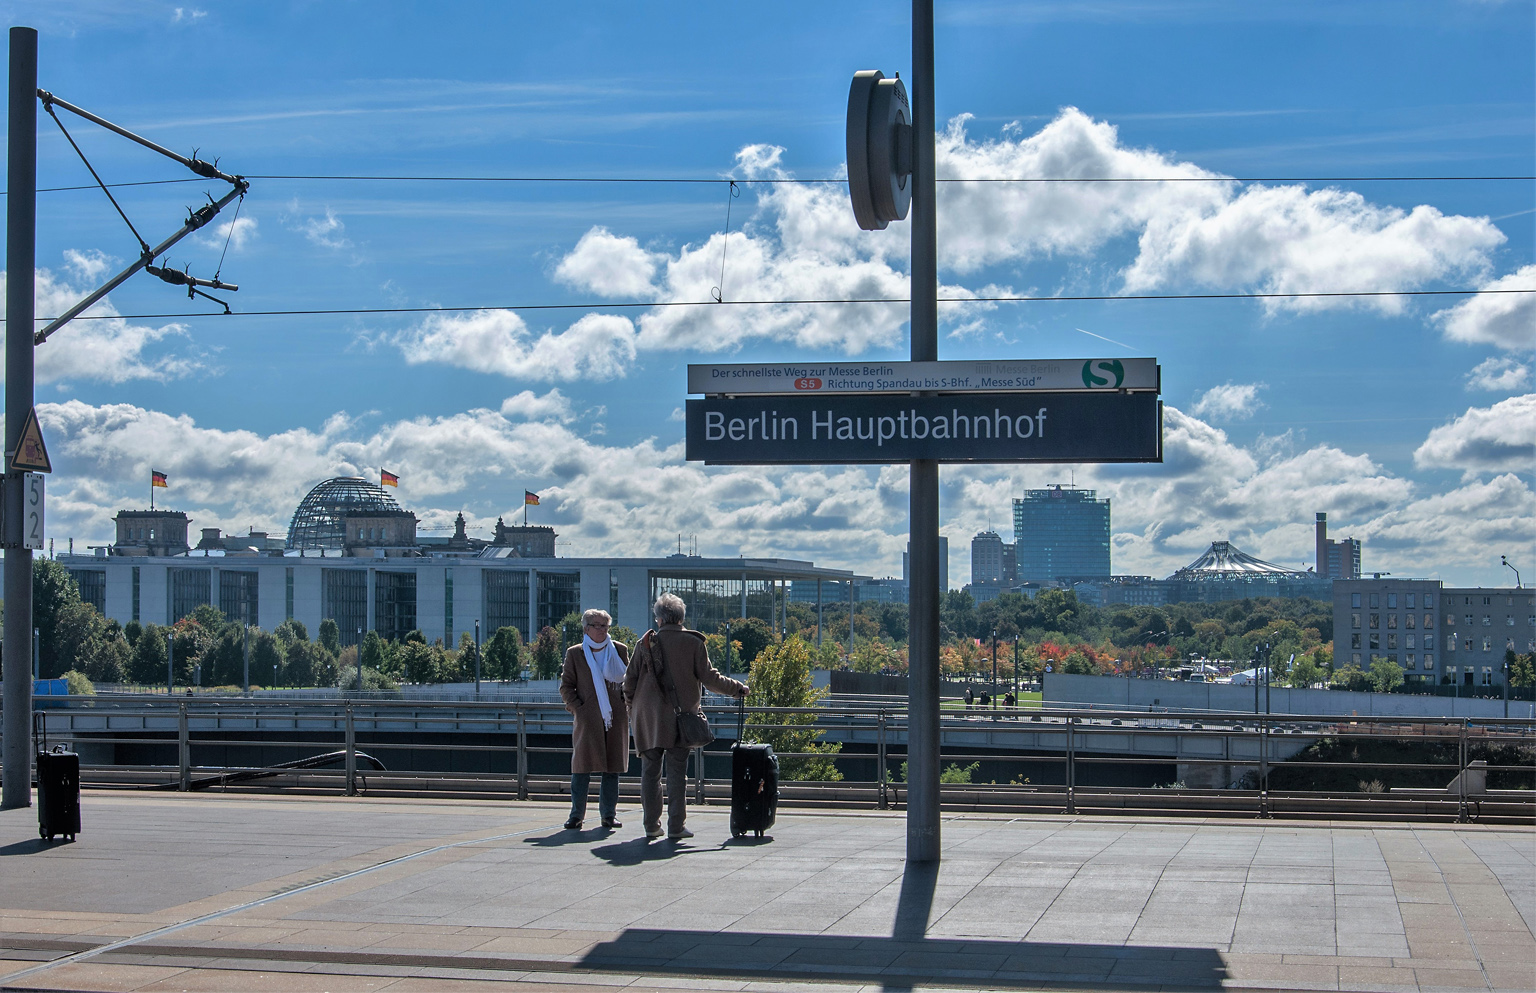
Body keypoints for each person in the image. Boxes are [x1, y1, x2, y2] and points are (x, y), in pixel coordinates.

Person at [625, 593, 747, 841]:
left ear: (659, 619)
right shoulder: (693, 643)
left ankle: (651, 825)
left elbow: (629, 683)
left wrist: (633, 709)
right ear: (681, 618)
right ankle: (676, 827)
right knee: (677, 773)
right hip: (680, 718)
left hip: (647, 718)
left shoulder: (645, 643)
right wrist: (737, 688)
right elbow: (710, 678)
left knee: (650, 772)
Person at [559, 608, 630, 831]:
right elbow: (566, 686)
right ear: (586, 628)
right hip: (587, 719)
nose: (601, 630)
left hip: (614, 719)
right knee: (581, 769)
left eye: (605, 626)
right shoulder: (575, 653)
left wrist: (624, 705)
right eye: (597, 625)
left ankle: (609, 815)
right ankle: (576, 816)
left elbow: (628, 682)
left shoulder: (619, 650)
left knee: (612, 769)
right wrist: (578, 709)